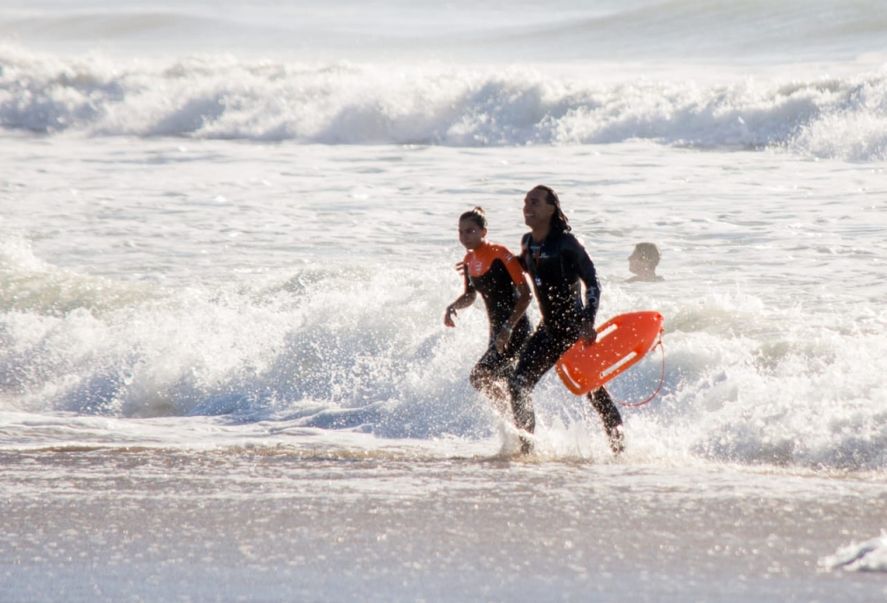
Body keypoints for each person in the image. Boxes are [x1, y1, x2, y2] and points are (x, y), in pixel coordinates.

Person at [506, 185, 624, 455]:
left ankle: (619, 449)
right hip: (548, 331)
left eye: (534, 202)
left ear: (551, 208)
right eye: (525, 202)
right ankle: (527, 450)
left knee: (594, 392)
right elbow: (522, 266)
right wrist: (489, 261)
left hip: (573, 331)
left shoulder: (568, 244)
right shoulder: (529, 241)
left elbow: (592, 283)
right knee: (518, 384)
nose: (527, 207)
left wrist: (587, 321)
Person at [445, 207, 533, 406]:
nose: (464, 236)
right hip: (497, 332)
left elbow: (526, 295)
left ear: (484, 231)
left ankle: (510, 422)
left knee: (479, 376)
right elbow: (470, 295)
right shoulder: (469, 260)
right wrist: (453, 307)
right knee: (505, 383)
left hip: (516, 329)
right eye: (460, 231)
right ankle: (517, 429)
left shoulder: (500, 254)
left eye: (470, 231)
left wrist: (509, 328)